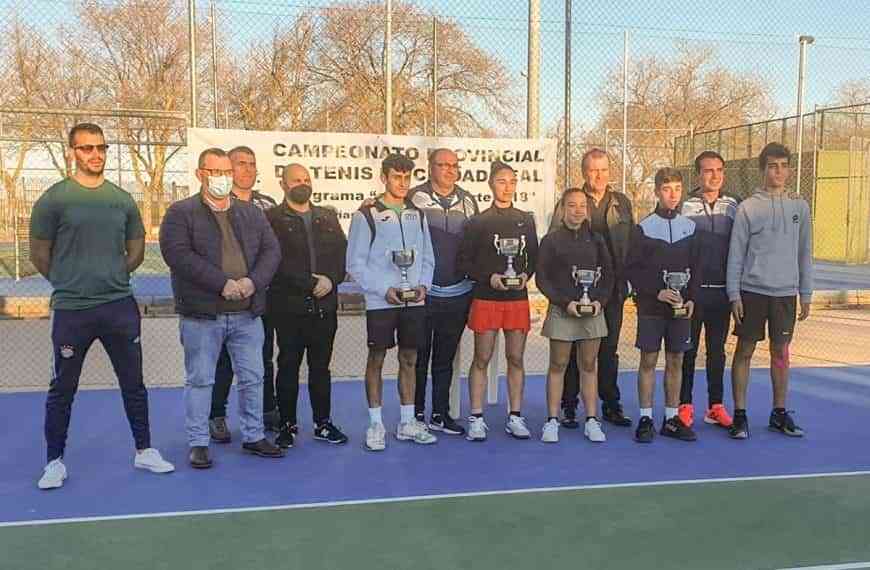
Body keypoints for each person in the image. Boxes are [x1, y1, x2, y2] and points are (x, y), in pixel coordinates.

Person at [30, 122, 174, 489]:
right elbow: (39, 254)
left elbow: (137, 247)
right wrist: (69, 282)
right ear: (72, 152)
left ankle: (144, 451)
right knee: (63, 388)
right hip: (72, 311)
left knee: (134, 384)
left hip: (118, 308)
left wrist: (113, 274)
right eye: (86, 148)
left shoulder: (121, 199)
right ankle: (54, 462)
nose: (95, 154)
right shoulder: (54, 199)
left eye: (101, 148)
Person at [160, 147, 283, 469]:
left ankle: (254, 436)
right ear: (201, 174)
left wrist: (252, 282)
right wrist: (221, 283)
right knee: (200, 380)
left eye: (227, 172)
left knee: (253, 377)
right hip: (202, 314)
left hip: (247, 314)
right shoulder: (180, 213)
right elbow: (178, 255)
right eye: (216, 172)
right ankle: (199, 442)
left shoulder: (251, 212)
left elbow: (271, 251)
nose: (223, 179)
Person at [346, 153, 437, 451]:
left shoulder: (418, 213)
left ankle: (407, 422)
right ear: (384, 177)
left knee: (410, 359)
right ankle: (376, 424)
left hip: (413, 301)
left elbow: (426, 257)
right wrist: (384, 288)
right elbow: (356, 264)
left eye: (407, 177)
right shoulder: (367, 214)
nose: (402, 183)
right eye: (396, 177)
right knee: (377, 360)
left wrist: (423, 284)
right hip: (381, 302)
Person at [726, 142, 813, 440]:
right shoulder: (748, 207)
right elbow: (735, 254)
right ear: (763, 170)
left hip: (786, 295)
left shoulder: (799, 206)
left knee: (781, 353)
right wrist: (733, 294)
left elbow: (805, 253)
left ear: (789, 169)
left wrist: (807, 293)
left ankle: (779, 413)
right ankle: (739, 415)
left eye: (784, 166)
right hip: (752, 293)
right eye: (773, 166)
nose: (779, 171)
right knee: (745, 351)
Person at [266, 163, 348, 448]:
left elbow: (342, 254)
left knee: (321, 368)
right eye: (296, 179)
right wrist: (307, 283)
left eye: (306, 179)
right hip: (288, 308)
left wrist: (331, 279)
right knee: (288, 366)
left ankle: (322, 423)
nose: (303, 183)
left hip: (324, 307)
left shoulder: (327, 216)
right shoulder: (271, 219)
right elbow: (273, 261)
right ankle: (286, 425)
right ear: (283, 184)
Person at [457, 161, 539, 441]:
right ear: (491, 184)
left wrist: (525, 274)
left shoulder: (526, 219)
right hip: (486, 298)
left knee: (515, 357)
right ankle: (476, 417)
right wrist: (488, 278)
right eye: (502, 181)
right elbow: (465, 262)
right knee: (482, 357)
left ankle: (515, 416)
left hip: (517, 299)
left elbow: (534, 258)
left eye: (512, 181)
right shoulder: (478, 222)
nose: (507, 187)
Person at [555, 149, 634, 429]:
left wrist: (627, 283)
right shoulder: (571, 200)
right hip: (577, 292)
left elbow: (631, 243)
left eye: (603, 169)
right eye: (592, 170)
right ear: (584, 172)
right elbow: (556, 241)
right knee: (577, 350)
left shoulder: (622, 203)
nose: (598, 175)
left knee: (608, 349)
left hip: (611, 291)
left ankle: (611, 404)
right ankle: (569, 405)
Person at [208, 146, 280, 444]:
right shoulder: (217, 202)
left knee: (263, 359)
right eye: (241, 164)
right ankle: (217, 415)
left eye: (252, 164)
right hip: (224, 296)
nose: (247, 169)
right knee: (224, 361)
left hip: (261, 295)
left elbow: (273, 247)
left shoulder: (268, 204)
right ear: (228, 169)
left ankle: (265, 411)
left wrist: (256, 280)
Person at [625, 167, 702, 443]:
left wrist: (691, 297)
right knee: (648, 360)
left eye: (678, 189)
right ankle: (645, 417)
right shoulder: (644, 228)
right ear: (657, 192)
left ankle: (671, 418)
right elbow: (632, 269)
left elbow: (697, 267)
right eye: (667, 189)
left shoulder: (690, 227)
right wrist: (656, 292)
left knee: (676, 360)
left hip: (681, 310)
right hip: (651, 308)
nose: (673, 195)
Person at [409, 149, 479, 435]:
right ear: (430, 167)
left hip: (458, 293)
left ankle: (440, 413)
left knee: (444, 358)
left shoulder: (469, 200)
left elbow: (477, 244)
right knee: (419, 356)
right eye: (442, 165)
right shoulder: (413, 198)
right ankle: (414, 414)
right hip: (423, 294)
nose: (449, 170)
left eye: (454, 165)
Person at [536, 187, 613, 443]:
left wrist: (600, 302)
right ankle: (552, 421)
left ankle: (592, 420)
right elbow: (542, 279)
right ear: (562, 208)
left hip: (592, 312)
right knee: (558, 365)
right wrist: (564, 302)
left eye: (582, 205)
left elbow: (609, 276)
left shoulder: (598, 239)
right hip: (562, 311)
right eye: (572, 205)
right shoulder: (551, 240)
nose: (578, 210)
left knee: (589, 365)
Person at [678, 150, 739, 429]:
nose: (714, 176)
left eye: (718, 170)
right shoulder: (686, 206)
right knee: (687, 350)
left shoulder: (733, 206)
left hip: (722, 293)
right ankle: (685, 406)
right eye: (707, 171)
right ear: (698, 174)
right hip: (693, 294)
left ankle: (715, 406)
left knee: (717, 352)